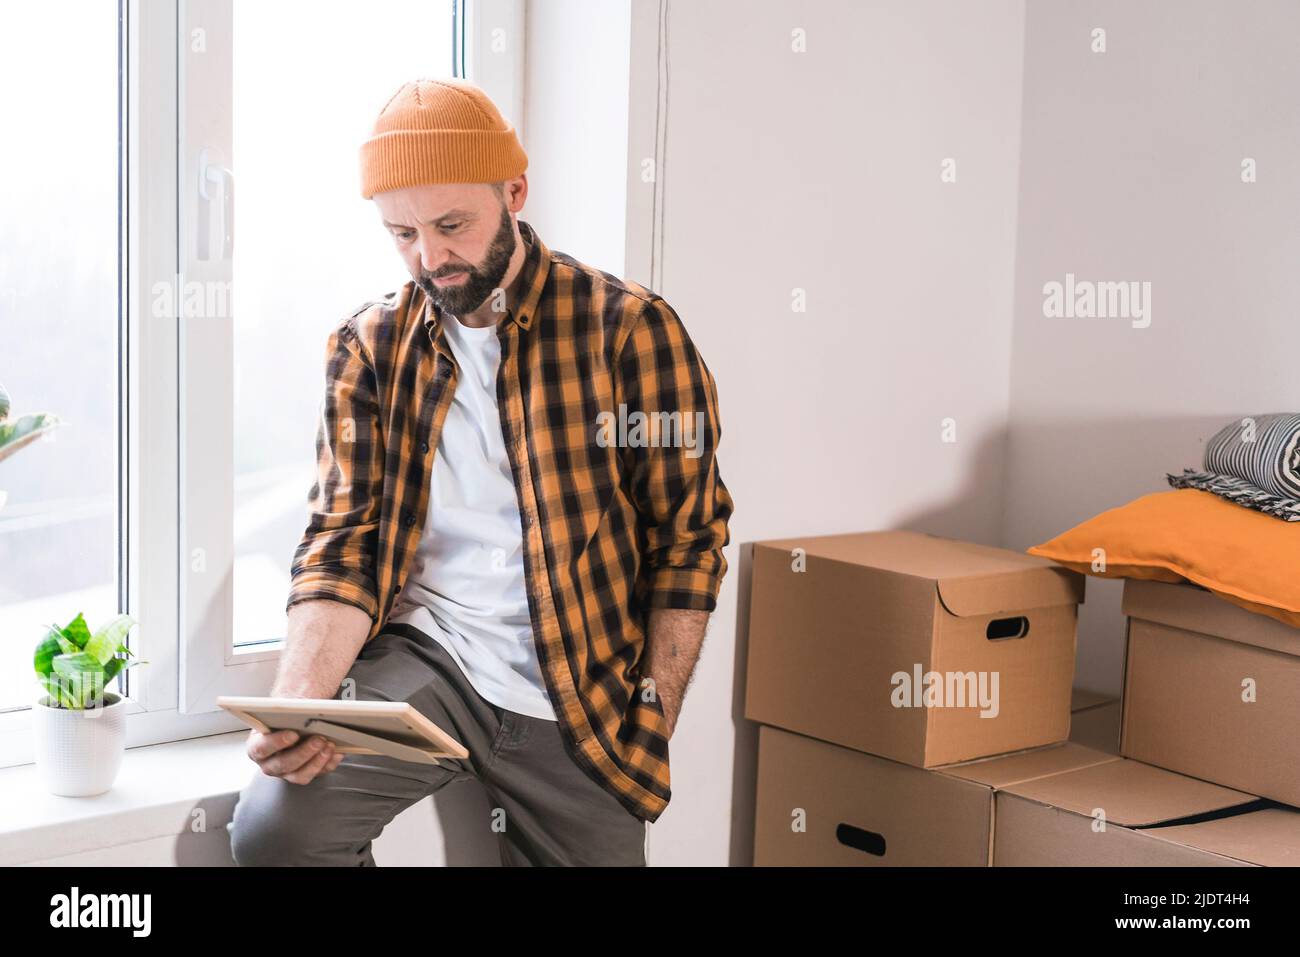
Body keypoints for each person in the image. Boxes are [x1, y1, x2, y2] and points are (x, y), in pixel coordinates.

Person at [227, 78, 734, 866]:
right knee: (276, 832)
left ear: (515, 192)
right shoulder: (368, 349)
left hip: (582, 697)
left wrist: (653, 711)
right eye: (402, 233)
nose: (429, 257)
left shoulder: (631, 330)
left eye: (451, 224)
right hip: (431, 667)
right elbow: (342, 545)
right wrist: (301, 701)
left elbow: (689, 541)